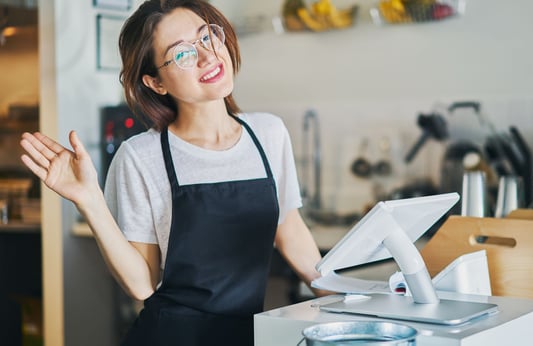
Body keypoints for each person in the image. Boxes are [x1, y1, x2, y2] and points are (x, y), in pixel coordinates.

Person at [19, 0, 329, 345]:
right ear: (155, 82)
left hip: (248, 334)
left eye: (207, 37)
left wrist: (359, 298)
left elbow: (290, 234)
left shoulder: (269, 134)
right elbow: (141, 285)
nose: (207, 56)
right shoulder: (140, 156)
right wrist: (89, 201)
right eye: (181, 54)